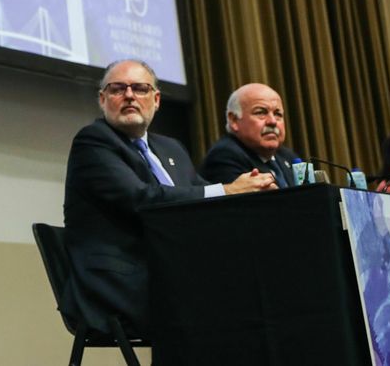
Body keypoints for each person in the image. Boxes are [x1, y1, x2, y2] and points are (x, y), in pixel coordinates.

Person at [62, 59, 276, 337]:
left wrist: (251, 192)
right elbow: (142, 199)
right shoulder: (93, 141)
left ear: (157, 99)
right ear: (102, 100)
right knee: (237, 303)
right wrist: (228, 189)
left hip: (173, 272)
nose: (129, 95)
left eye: (140, 88)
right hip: (121, 283)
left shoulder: (170, 148)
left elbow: (201, 195)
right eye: (117, 89)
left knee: (261, 288)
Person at [199, 82, 302, 187]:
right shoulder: (225, 156)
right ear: (234, 120)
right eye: (261, 112)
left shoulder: (287, 156)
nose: (272, 121)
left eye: (277, 114)